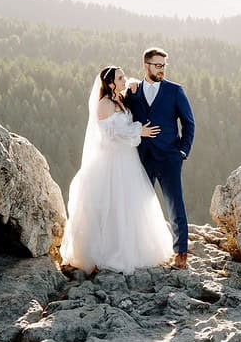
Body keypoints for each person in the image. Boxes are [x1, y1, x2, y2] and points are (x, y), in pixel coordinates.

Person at [59, 66, 174, 273]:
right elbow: (111, 134)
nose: (124, 79)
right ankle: (107, 251)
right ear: (110, 83)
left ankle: (132, 247)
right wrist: (140, 131)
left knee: (129, 202)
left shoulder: (119, 99)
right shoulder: (103, 104)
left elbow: (133, 89)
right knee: (111, 202)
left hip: (127, 158)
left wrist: (131, 84)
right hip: (111, 160)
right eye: (120, 77)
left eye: (123, 76)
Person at [124, 47, 195, 270]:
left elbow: (189, 123)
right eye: (158, 65)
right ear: (146, 65)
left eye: (164, 65)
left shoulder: (175, 90)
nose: (162, 69)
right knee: (138, 205)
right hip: (141, 157)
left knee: (175, 204)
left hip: (169, 158)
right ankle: (137, 249)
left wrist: (182, 151)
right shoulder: (133, 92)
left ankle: (181, 253)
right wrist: (129, 85)